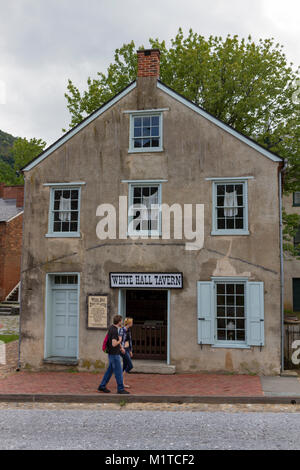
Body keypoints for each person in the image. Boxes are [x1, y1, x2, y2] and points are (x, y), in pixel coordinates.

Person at [98, 314, 129, 394]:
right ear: (119, 321)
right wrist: (120, 340)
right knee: (118, 372)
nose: (122, 322)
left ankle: (102, 386)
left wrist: (121, 348)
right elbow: (113, 344)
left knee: (110, 371)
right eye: (121, 321)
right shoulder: (114, 330)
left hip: (112, 353)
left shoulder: (111, 328)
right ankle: (120, 389)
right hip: (114, 354)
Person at [120, 317, 134, 388]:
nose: (132, 323)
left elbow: (130, 341)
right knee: (130, 365)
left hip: (128, 349)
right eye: (131, 322)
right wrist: (122, 348)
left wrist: (131, 350)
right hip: (124, 349)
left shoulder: (129, 330)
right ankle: (120, 379)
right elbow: (120, 340)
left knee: (125, 366)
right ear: (129, 323)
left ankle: (122, 382)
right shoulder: (122, 330)